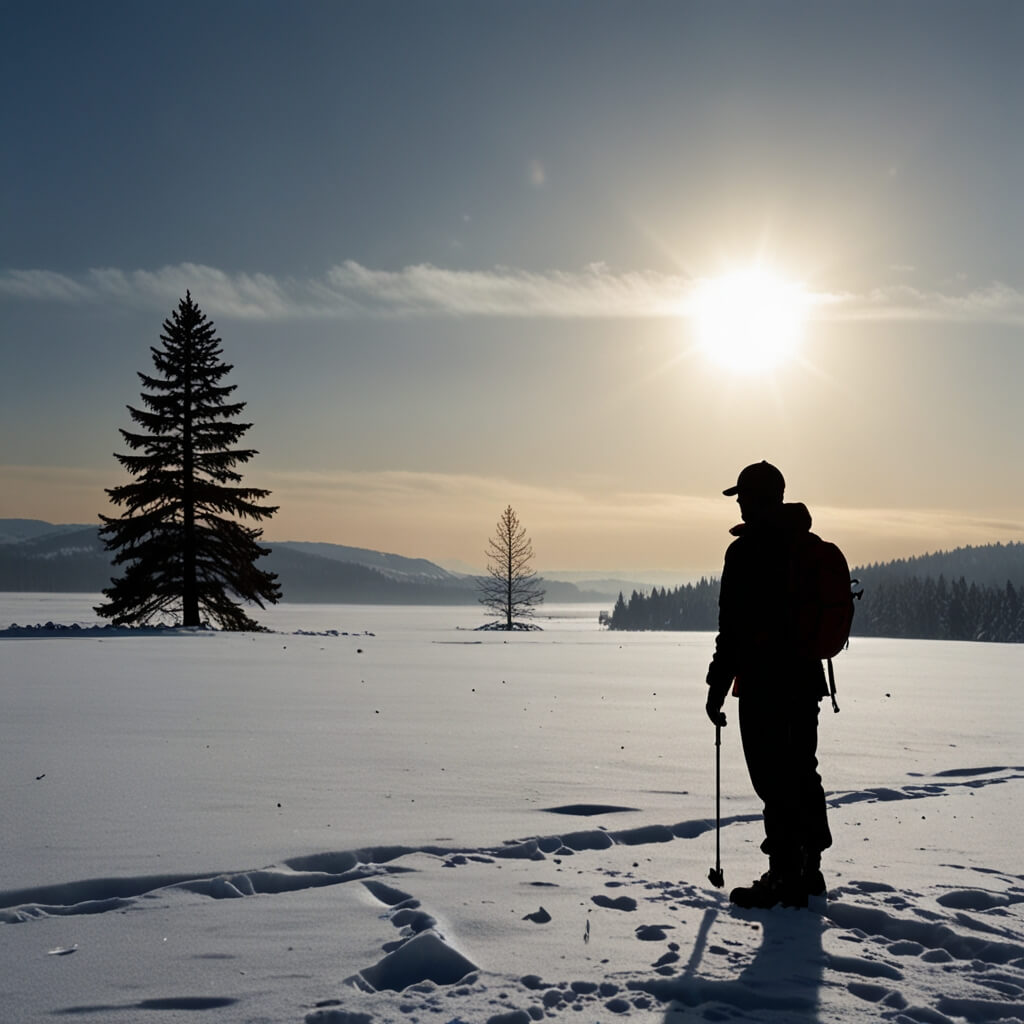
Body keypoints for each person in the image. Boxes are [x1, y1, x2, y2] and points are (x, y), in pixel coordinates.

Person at [705, 461, 833, 909]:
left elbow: (732, 631)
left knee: (774, 780)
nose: (738, 503)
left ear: (756, 500)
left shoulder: (745, 553)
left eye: (742, 496)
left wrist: (715, 687)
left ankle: (783, 876)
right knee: (802, 770)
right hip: (805, 680)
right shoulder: (805, 544)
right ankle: (809, 869)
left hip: (763, 684)